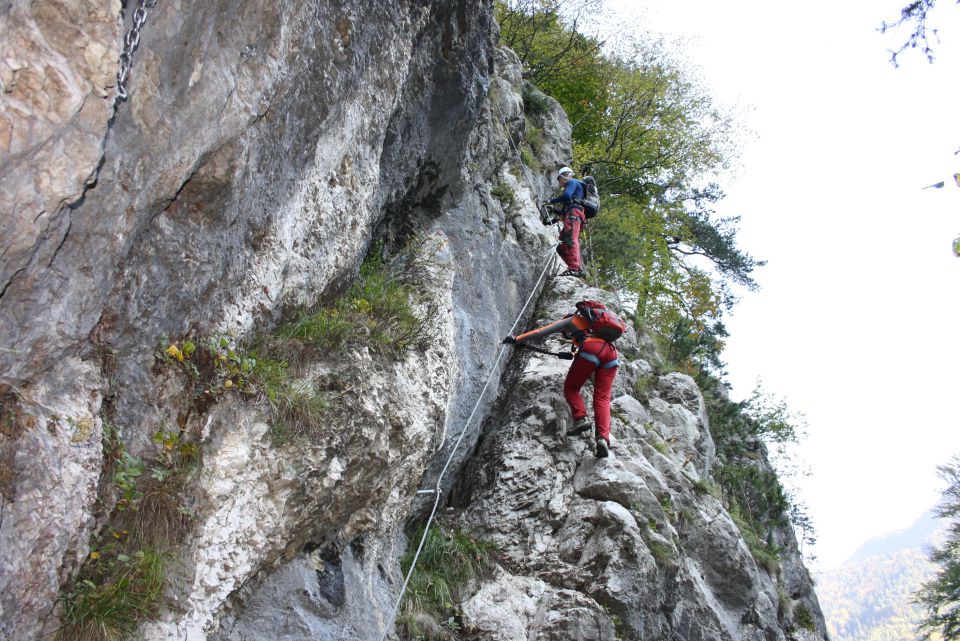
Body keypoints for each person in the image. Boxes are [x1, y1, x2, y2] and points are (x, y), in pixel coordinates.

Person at [503, 301, 622, 458]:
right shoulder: (597, 326)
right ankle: (603, 439)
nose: (568, 335)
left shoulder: (571, 320)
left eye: (567, 334)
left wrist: (517, 339)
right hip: (612, 355)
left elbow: (541, 331)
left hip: (592, 349)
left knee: (571, 388)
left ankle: (580, 418)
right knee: (603, 398)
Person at [545, 166, 586, 278]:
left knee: (570, 239)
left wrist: (551, 200)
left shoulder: (572, 182)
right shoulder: (573, 196)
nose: (559, 182)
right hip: (572, 214)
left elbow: (566, 196)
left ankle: (574, 268)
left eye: (559, 178)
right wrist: (553, 211)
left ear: (566, 175)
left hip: (574, 214)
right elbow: (563, 212)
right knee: (561, 245)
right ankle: (576, 268)